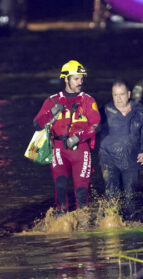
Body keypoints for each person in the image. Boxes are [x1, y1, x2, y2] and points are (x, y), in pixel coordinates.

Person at [33, 60, 101, 214]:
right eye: (76, 79)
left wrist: (78, 137)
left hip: (81, 150)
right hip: (58, 149)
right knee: (61, 187)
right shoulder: (52, 100)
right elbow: (37, 124)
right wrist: (51, 113)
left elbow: (97, 125)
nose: (80, 82)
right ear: (66, 78)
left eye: (81, 79)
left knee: (81, 192)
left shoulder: (88, 100)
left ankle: (83, 224)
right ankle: (62, 223)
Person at [99, 79, 143, 220]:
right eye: (115, 95)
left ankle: (130, 223)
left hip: (132, 160)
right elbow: (90, 128)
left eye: (121, 94)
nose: (118, 98)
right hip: (109, 159)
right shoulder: (104, 111)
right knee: (112, 192)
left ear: (129, 94)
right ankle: (110, 222)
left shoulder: (140, 112)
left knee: (130, 194)